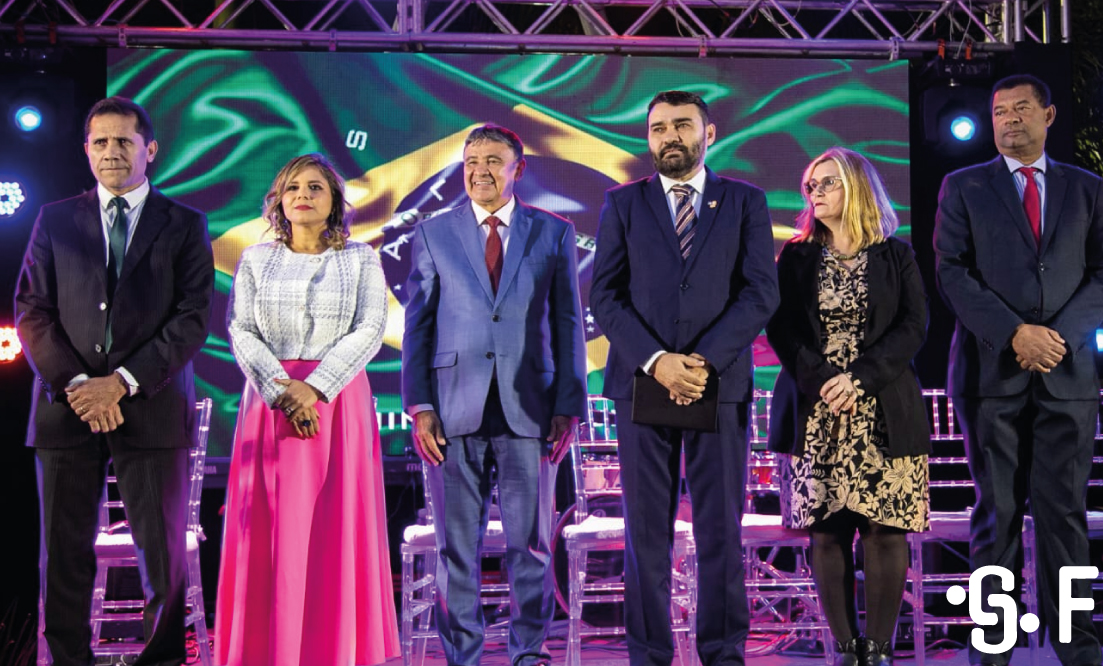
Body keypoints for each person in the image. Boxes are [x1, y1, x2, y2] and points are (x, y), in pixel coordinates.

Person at [933, 74, 1103, 666]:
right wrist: (1016, 333)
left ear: (1049, 115)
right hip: (991, 375)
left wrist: (1057, 338)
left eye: (1021, 109)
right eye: (999, 112)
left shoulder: (1085, 187)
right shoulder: (963, 186)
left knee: (1065, 515)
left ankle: (1078, 651)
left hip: (1067, 375)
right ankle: (992, 651)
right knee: (997, 515)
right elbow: (951, 270)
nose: (1009, 119)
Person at [15, 96, 213, 666]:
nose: (111, 152)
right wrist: (80, 384)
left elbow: (192, 318)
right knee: (63, 556)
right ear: (86, 150)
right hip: (66, 410)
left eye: (123, 141)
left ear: (150, 149)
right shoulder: (54, 219)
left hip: (151, 408)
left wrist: (121, 382)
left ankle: (162, 660)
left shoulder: (184, 224)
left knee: (162, 561)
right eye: (100, 142)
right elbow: (31, 311)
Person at [590, 90, 779, 666]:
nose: (669, 136)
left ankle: (723, 653)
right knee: (646, 534)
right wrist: (658, 361)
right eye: (657, 128)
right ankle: (649, 654)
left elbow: (760, 293)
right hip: (641, 383)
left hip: (717, 384)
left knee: (720, 530)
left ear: (708, 133)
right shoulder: (623, 203)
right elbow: (605, 295)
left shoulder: (744, 201)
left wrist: (700, 362)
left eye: (681, 125)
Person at [401, 124, 587, 666]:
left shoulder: (553, 232)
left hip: (532, 408)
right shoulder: (433, 233)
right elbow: (418, 327)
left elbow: (568, 321)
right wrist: (420, 406)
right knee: (457, 548)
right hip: (451, 410)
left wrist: (568, 405)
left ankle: (528, 652)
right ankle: (464, 656)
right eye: (471, 161)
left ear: (517, 169)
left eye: (492, 161)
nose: (479, 171)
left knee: (530, 545)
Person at [214, 153, 398, 666]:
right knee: (275, 528)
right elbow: (241, 330)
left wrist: (314, 388)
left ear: (334, 199)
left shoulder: (361, 259)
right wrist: (283, 391)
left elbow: (370, 329)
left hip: (338, 403)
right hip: (269, 404)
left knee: (333, 528)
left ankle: (332, 650)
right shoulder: (256, 259)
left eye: (315, 187)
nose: (303, 195)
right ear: (278, 200)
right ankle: (267, 651)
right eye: (293, 187)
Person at [765, 147, 930, 666]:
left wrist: (858, 380)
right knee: (827, 530)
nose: (815, 192)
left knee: (885, 530)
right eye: (810, 185)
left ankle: (878, 651)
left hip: (882, 410)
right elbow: (781, 328)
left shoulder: (896, 254)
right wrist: (824, 381)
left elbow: (913, 326)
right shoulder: (795, 256)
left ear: (857, 186)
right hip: (816, 412)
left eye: (828, 182)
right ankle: (844, 651)